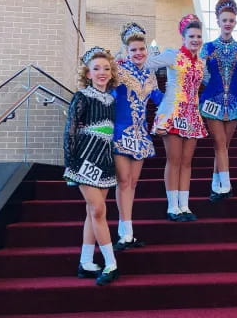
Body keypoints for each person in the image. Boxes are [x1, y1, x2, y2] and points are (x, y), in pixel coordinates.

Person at [63, 47, 119, 286]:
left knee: (92, 212)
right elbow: (70, 131)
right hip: (85, 156)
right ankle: (111, 262)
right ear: (87, 73)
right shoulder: (82, 97)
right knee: (97, 210)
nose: (102, 72)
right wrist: (71, 162)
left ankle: (86, 262)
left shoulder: (111, 99)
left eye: (106, 68)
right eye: (96, 68)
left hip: (104, 157)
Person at [112, 22, 165, 251]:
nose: (138, 53)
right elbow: (109, 95)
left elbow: (158, 99)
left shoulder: (149, 73)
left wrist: (178, 93)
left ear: (146, 50)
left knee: (132, 183)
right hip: (121, 133)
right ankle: (123, 232)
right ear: (126, 50)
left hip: (141, 134)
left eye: (141, 49)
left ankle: (128, 231)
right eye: (133, 50)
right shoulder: (118, 70)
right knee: (123, 181)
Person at [152, 14, 208, 222]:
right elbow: (146, 64)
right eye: (191, 36)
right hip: (173, 113)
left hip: (192, 115)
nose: (195, 40)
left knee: (186, 162)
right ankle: (172, 206)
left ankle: (184, 205)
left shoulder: (201, 64)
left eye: (198, 36)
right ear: (183, 38)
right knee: (174, 160)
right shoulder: (172, 55)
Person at [200, 0, 237, 201]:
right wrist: (211, 86)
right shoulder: (208, 47)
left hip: (235, 102)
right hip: (212, 101)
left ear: (235, 22)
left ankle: (216, 185)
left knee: (223, 146)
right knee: (220, 143)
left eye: (231, 20)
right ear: (218, 22)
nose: (228, 23)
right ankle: (227, 186)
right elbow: (200, 73)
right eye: (224, 20)